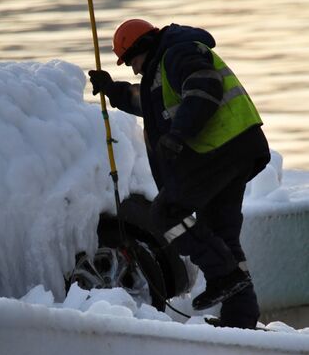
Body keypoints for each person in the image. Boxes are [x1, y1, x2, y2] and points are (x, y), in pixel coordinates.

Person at [88, 19, 270, 329]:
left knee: (166, 212)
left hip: (222, 148)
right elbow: (144, 100)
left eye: (131, 61)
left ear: (142, 47)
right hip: (238, 148)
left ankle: (224, 276)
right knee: (221, 233)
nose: (133, 70)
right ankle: (241, 321)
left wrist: (179, 135)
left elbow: (204, 87)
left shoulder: (178, 52)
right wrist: (111, 89)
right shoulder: (165, 65)